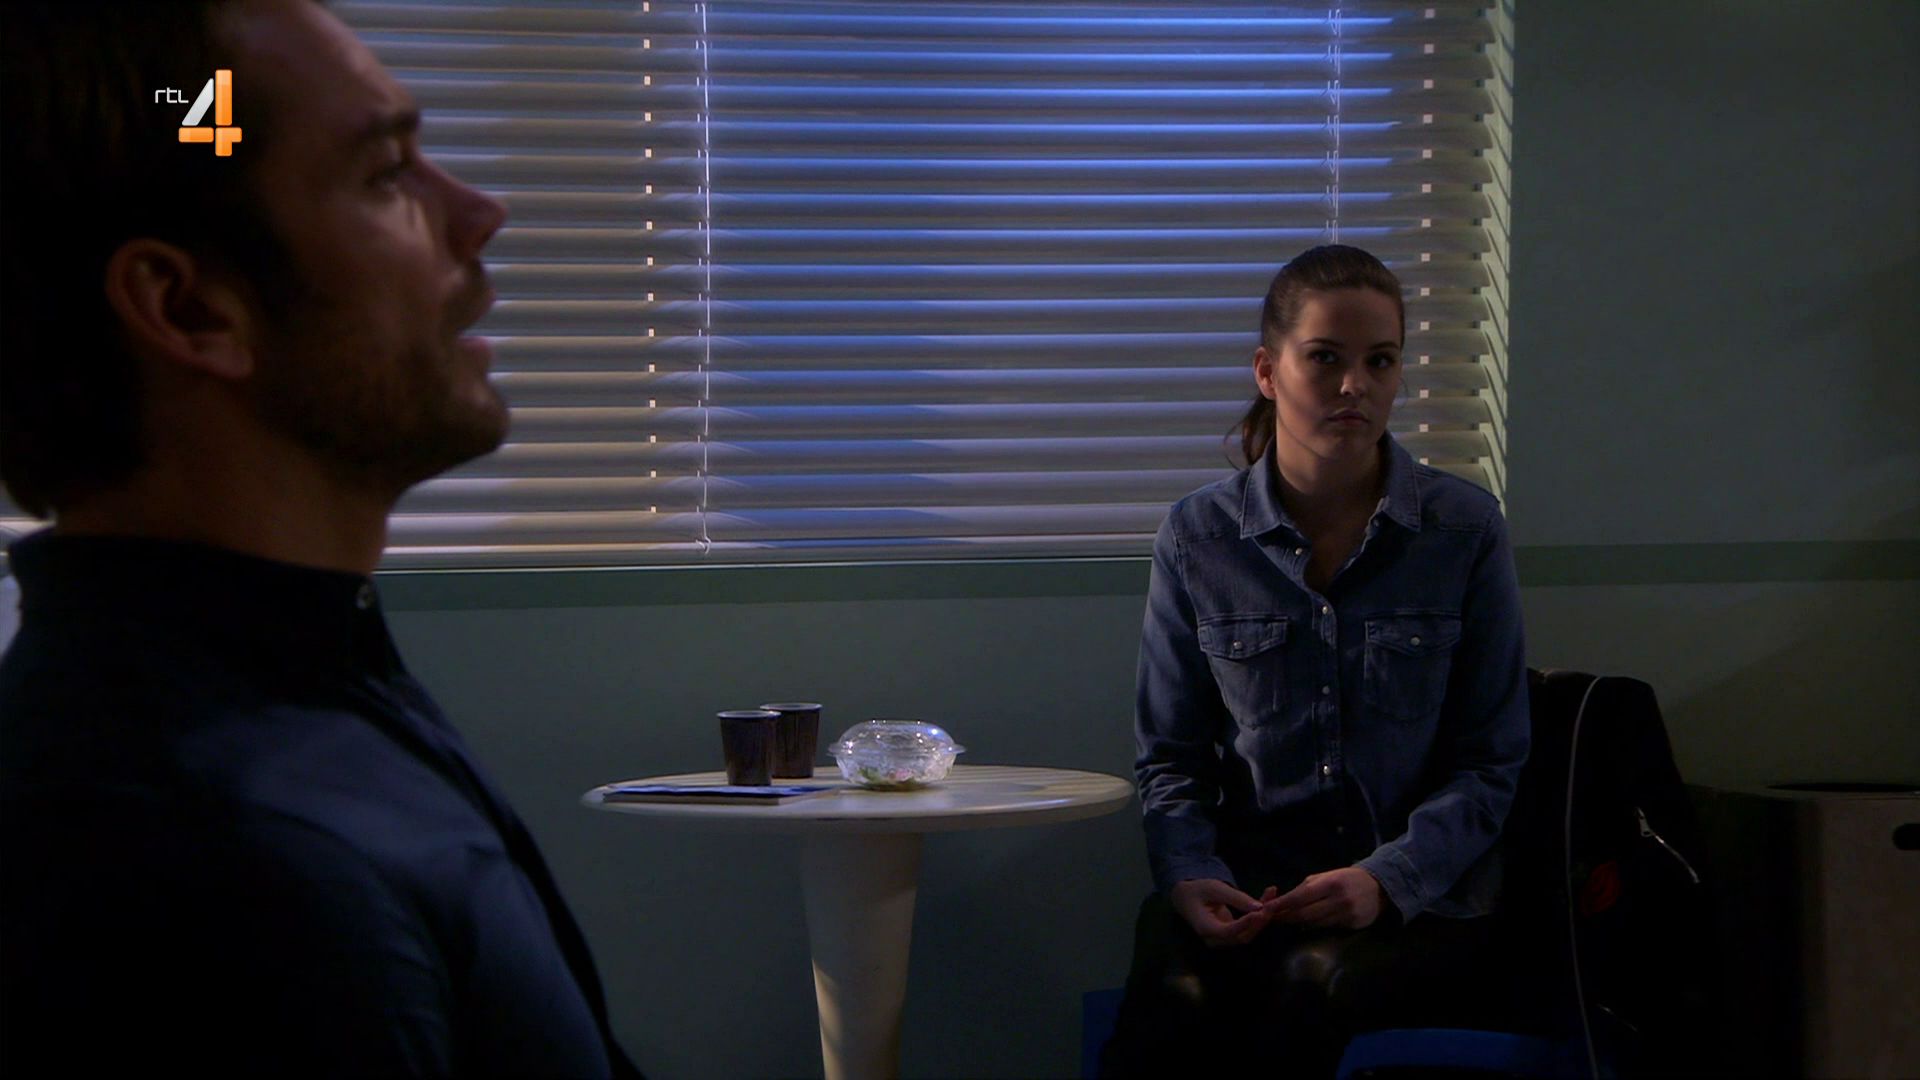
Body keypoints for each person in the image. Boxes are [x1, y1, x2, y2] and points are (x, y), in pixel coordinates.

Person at [0, 1, 641, 1075]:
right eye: (386, 174)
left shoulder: (305, 700)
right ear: (192, 310)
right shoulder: (222, 857)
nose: (481, 213)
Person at [1102, 245, 1530, 1076]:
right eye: (1326, 359)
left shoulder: (1462, 531)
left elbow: (1493, 761)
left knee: (1304, 988)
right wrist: (1190, 873)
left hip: (1418, 896)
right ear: (1269, 372)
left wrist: (1386, 879)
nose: (1354, 386)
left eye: (1380, 361)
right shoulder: (1198, 537)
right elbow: (1172, 758)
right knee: (1172, 990)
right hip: (1251, 884)